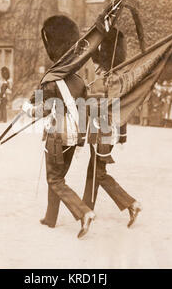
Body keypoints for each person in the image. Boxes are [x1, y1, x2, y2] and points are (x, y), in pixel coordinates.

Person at [21, 15, 95, 239]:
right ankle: (50, 218)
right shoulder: (81, 81)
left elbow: (41, 109)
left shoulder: (51, 80)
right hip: (73, 138)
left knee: (54, 179)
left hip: (56, 136)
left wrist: (26, 108)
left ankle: (83, 213)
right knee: (58, 175)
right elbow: (85, 111)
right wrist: (81, 139)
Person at [82, 28, 142, 229]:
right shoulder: (110, 78)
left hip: (104, 133)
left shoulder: (113, 80)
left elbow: (118, 108)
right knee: (94, 171)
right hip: (100, 131)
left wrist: (122, 135)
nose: (96, 69)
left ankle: (130, 203)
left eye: (98, 64)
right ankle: (85, 210)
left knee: (98, 173)